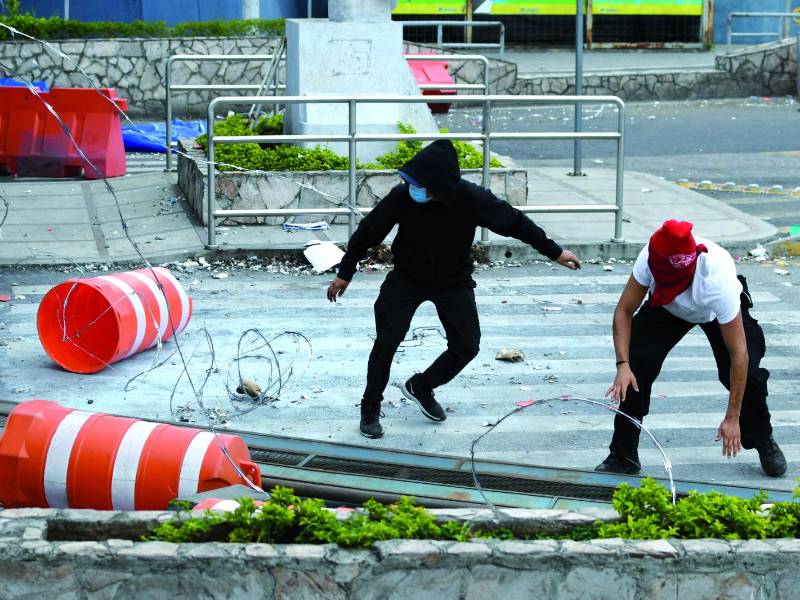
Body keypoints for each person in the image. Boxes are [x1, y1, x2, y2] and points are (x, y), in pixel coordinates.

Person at [326, 140, 581, 439]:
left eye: (420, 184)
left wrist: (555, 252)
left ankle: (422, 385)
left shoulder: (471, 198)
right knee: (387, 341)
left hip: (453, 280)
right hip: (407, 277)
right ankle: (370, 407)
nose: (413, 188)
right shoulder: (402, 197)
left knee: (467, 345)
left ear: (438, 186)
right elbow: (367, 232)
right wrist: (345, 272)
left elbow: (516, 223)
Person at [597, 219, 786, 477]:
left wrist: (732, 417)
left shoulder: (717, 282)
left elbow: (738, 354)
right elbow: (623, 310)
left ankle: (763, 438)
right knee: (638, 364)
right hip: (666, 308)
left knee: (748, 372)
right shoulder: (651, 255)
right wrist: (623, 365)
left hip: (712, 313)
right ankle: (623, 454)